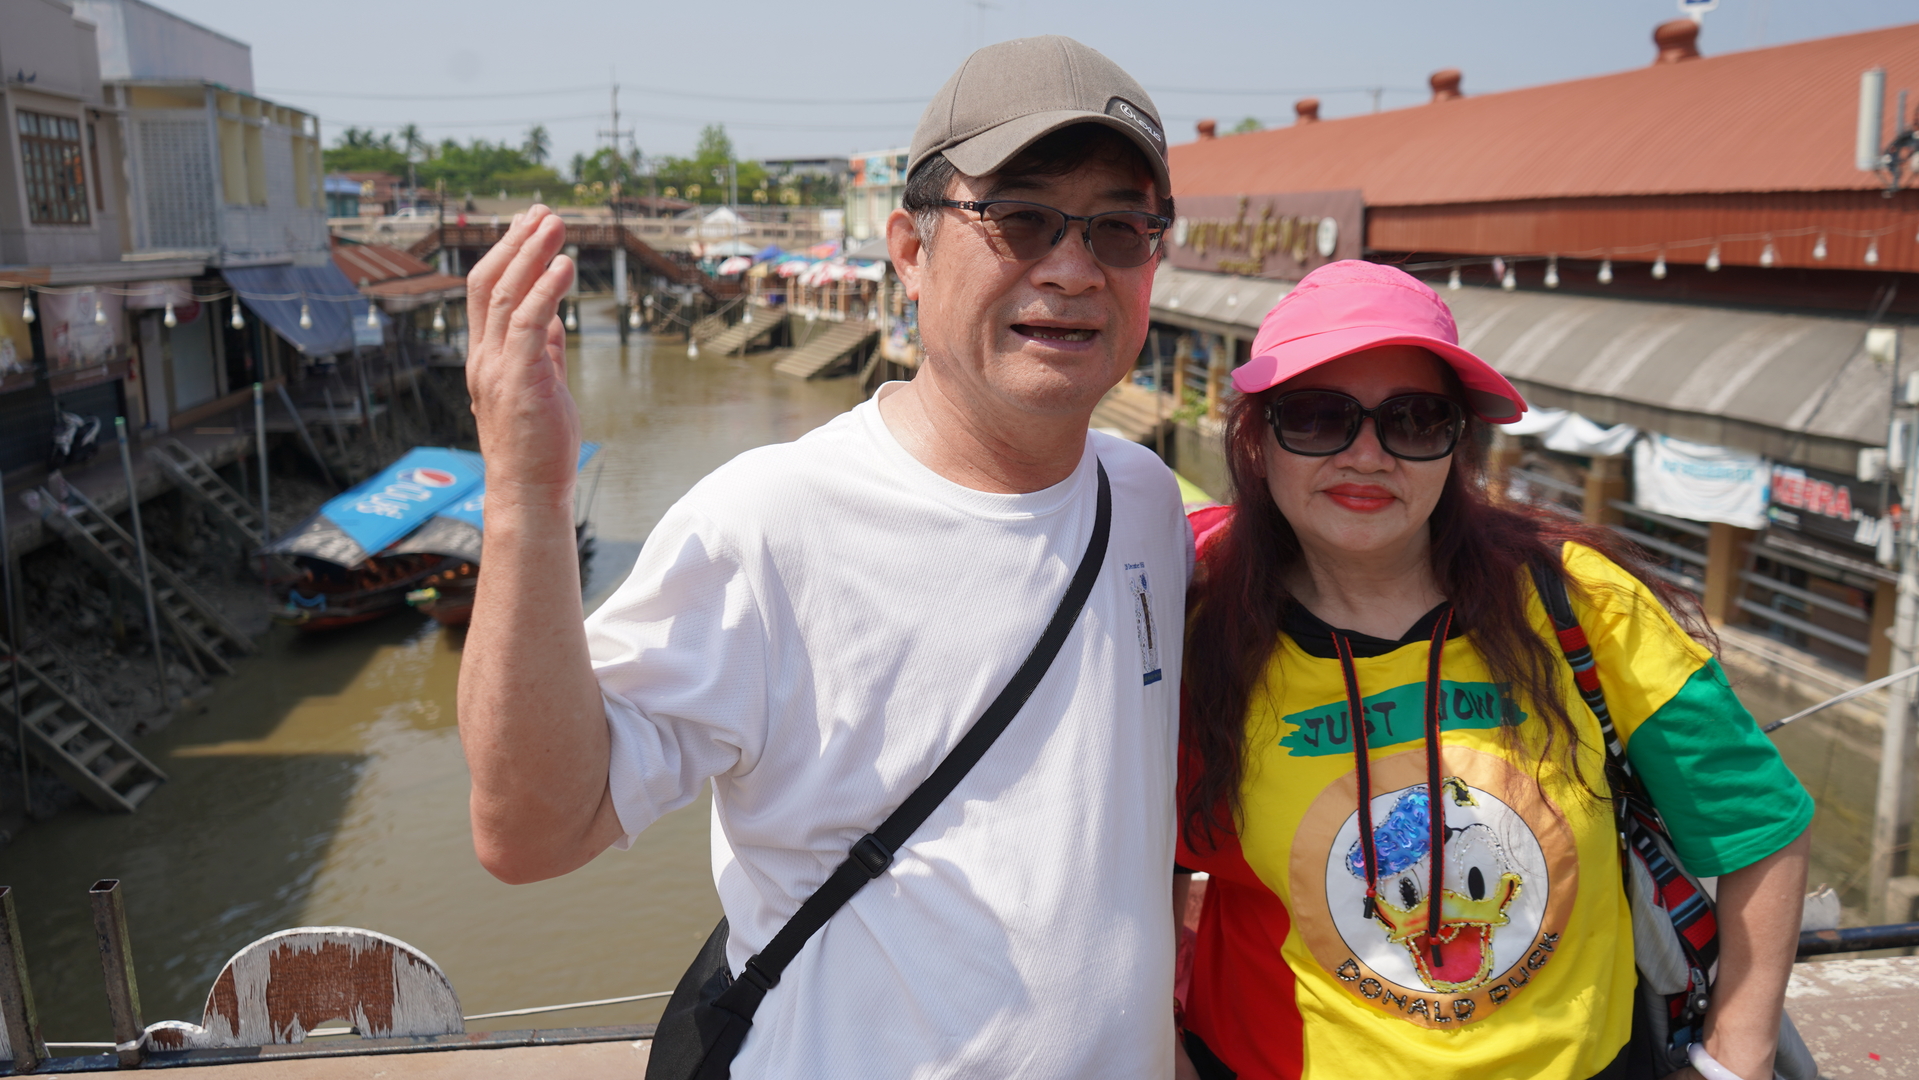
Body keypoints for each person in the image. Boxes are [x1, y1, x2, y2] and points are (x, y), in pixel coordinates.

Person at [459, 36, 1192, 1078]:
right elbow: (532, 831)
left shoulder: (1147, 502)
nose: (1072, 269)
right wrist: (524, 501)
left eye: (1118, 228)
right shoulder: (768, 523)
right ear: (909, 250)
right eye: (1020, 217)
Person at [1171, 261, 1811, 1080]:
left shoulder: (1579, 604)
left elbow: (1757, 823)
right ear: (1256, 440)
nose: (1366, 455)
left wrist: (1733, 1060)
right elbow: (1138, 871)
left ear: (1456, 445)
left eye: (1413, 420)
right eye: (1317, 417)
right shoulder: (1199, 635)